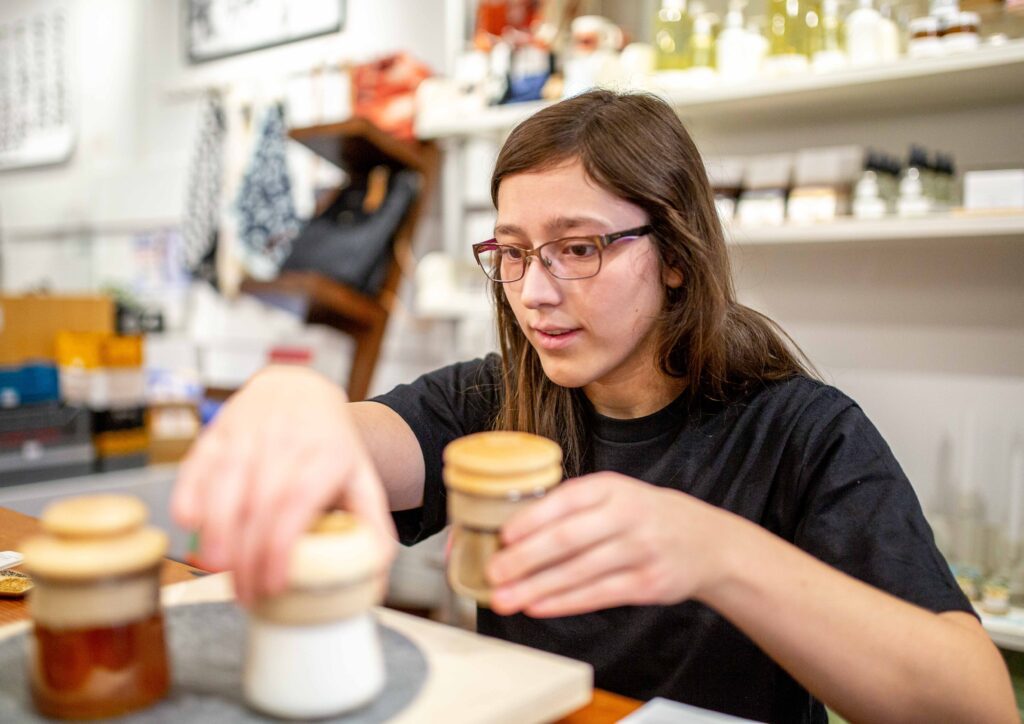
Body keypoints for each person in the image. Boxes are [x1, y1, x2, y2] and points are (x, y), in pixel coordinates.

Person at [172, 90, 1017, 723]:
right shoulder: (494, 401)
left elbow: (978, 705)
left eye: (577, 249)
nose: (534, 293)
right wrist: (299, 402)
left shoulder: (802, 432)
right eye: (511, 253)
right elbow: (355, 444)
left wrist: (713, 552)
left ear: (677, 255)